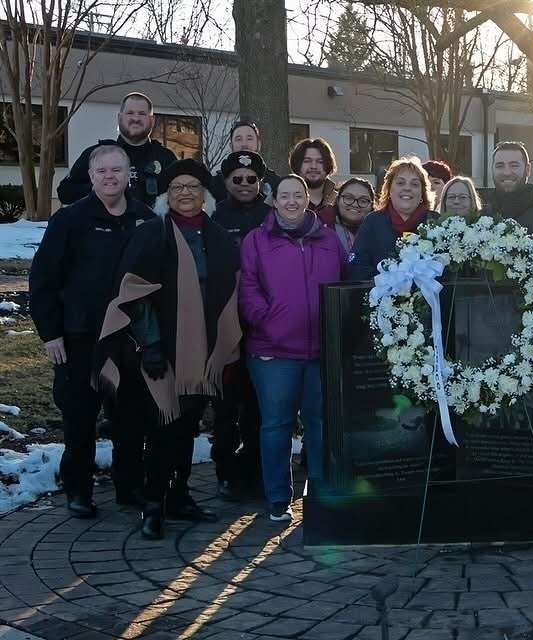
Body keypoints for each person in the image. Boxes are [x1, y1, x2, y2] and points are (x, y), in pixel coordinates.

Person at [95, 159, 242, 539]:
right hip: (160, 349)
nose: (186, 193)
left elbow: (228, 290)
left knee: (188, 425)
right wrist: (152, 343)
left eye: (193, 187)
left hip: (201, 350)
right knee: (164, 424)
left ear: (206, 195)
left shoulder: (217, 237)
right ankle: (152, 504)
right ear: (165, 195)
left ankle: (179, 496)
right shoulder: (153, 234)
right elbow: (134, 293)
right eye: (177, 188)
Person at [29, 146, 155, 518]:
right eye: (102, 171)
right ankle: (78, 490)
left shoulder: (145, 219)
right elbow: (43, 280)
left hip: (129, 339)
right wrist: (51, 333)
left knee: (130, 420)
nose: (109, 177)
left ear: (128, 174)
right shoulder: (70, 220)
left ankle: (129, 486)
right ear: (91, 174)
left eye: (117, 170)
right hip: (78, 337)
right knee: (80, 419)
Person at [239, 174, 346, 521]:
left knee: (318, 425)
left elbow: (343, 284)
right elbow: (248, 288)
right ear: (274, 200)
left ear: (307, 199)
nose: (291, 201)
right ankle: (277, 498)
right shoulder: (256, 240)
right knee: (276, 426)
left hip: (319, 353)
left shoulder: (329, 240)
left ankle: (318, 496)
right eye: (284, 195)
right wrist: (269, 321)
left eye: (297, 195)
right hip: (272, 353)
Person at [209, 151, 272, 500]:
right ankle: (225, 471)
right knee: (225, 406)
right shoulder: (214, 218)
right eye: (237, 179)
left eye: (251, 178)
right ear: (226, 181)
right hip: (226, 324)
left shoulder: (272, 217)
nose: (245, 184)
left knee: (258, 405)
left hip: (263, 326)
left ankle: (255, 469)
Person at [57, 92, 177, 208]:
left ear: (152, 120)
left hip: (153, 227)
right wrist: (97, 188)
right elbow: (65, 193)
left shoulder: (165, 158)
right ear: (120, 118)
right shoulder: (96, 155)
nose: (135, 118)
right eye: (130, 113)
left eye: (142, 114)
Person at [345, 157, 436, 280]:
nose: (407, 188)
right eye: (400, 183)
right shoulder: (373, 222)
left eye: (414, 184)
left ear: (422, 193)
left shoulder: (435, 222)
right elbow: (358, 267)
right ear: (389, 190)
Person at [482, 141, 533, 236]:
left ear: (528, 170)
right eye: (500, 166)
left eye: (514, 165)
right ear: (492, 169)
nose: (506, 172)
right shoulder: (481, 216)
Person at [209, 121, 282, 203]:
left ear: (259, 144)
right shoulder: (216, 182)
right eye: (238, 139)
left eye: (249, 138)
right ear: (231, 145)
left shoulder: (275, 182)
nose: (244, 144)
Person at [289, 137, 339, 223]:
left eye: (320, 162)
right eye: (307, 161)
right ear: (297, 164)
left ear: (328, 165)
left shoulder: (340, 200)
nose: (313, 166)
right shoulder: (281, 198)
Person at [329, 177, 375, 252]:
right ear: (337, 200)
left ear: (372, 206)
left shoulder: (379, 234)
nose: (355, 204)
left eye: (363, 201)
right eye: (349, 198)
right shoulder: (321, 231)